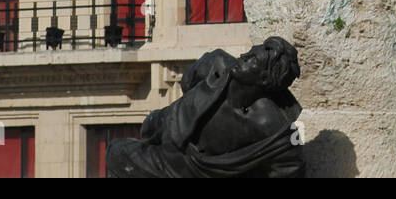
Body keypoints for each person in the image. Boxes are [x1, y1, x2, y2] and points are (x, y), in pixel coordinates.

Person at [106, 37, 305, 178]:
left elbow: (289, 168)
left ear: (264, 78)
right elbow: (187, 82)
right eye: (249, 52)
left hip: (196, 169)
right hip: (170, 144)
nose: (243, 55)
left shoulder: (272, 127)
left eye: (252, 59)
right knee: (117, 151)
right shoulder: (216, 64)